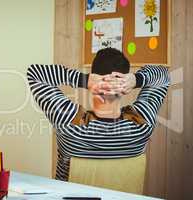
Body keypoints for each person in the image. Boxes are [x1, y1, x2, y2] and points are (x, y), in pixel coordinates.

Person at [27, 48, 170, 181]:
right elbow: (164, 75)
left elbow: (35, 73)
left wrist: (84, 79)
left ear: (93, 77)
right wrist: (136, 79)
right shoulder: (142, 123)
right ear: (125, 81)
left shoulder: (69, 122)